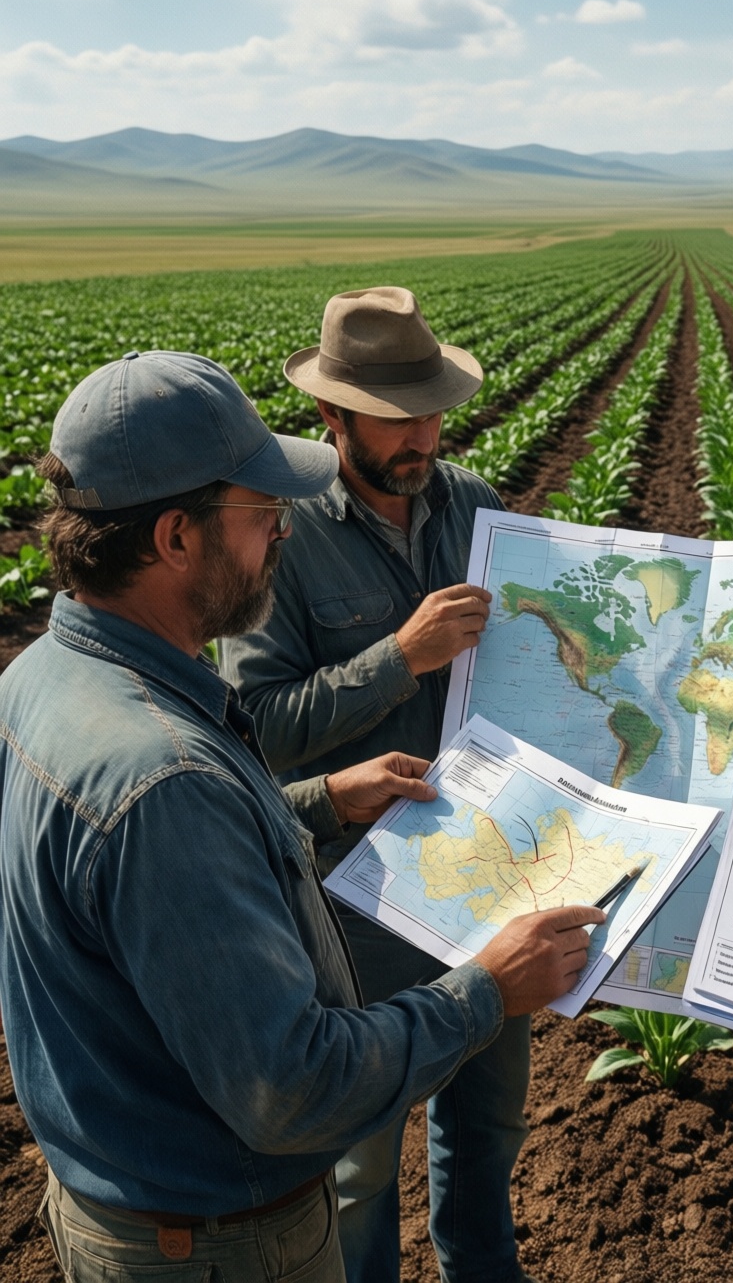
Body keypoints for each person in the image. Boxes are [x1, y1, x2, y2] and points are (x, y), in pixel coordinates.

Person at [0, 349, 602, 1282]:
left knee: (483, 1125)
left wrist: (321, 800)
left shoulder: (42, 676)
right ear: (176, 539)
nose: (280, 530)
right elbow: (295, 1090)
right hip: (222, 1240)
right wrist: (487, 989)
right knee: (366, 1173)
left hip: (138, 1192)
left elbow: (155, 858)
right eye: (260, 515)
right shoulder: (163, 777)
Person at [218, 286, 525, 1283]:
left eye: (430, 411)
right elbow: (257, 725)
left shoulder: (475, 504)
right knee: (360, 1157)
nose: (421, 436)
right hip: (359, 892)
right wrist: (399, 657)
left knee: (488, 1120)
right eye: (395, 418)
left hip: (488, 862)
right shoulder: (282, 533)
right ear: (331, 414)